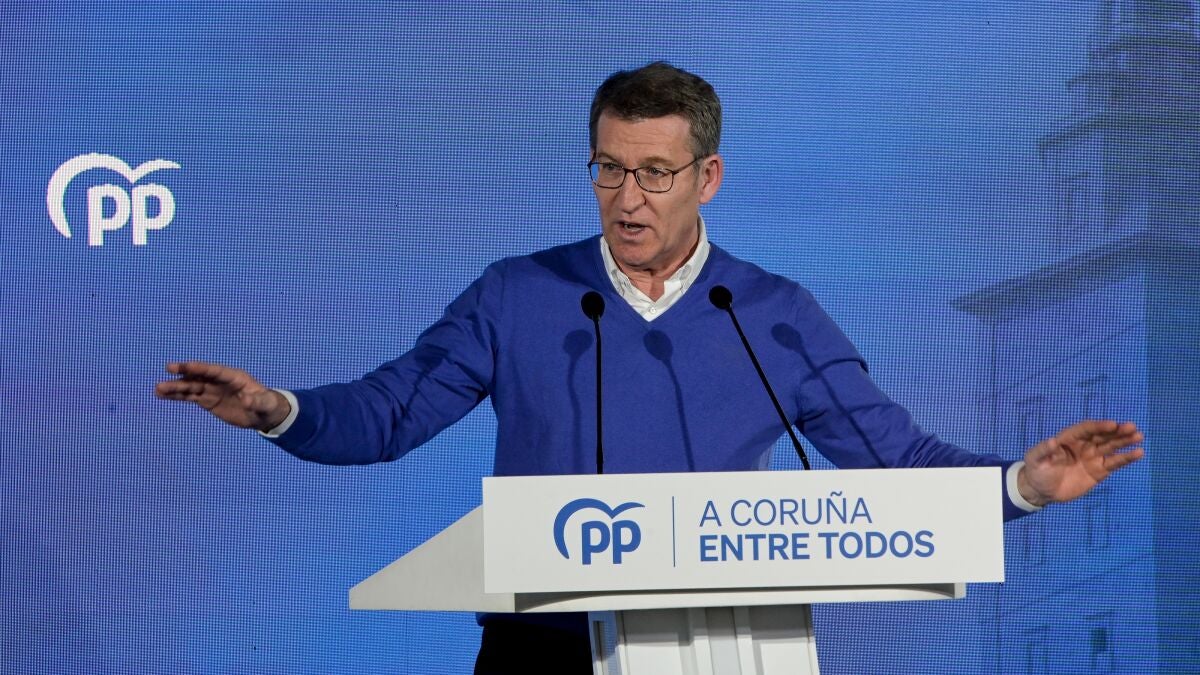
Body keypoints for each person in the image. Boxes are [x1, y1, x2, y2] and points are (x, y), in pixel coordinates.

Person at [155, 62, 1145, 674]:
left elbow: (896, 461)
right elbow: (389, 413)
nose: (627, 199)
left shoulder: (771, 314)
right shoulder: (518, 294)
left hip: (718, 641)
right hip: (542, 644)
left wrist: (1023, 484)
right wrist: (277, 408)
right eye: (608, 169)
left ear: (707, 177)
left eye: (655, 173)